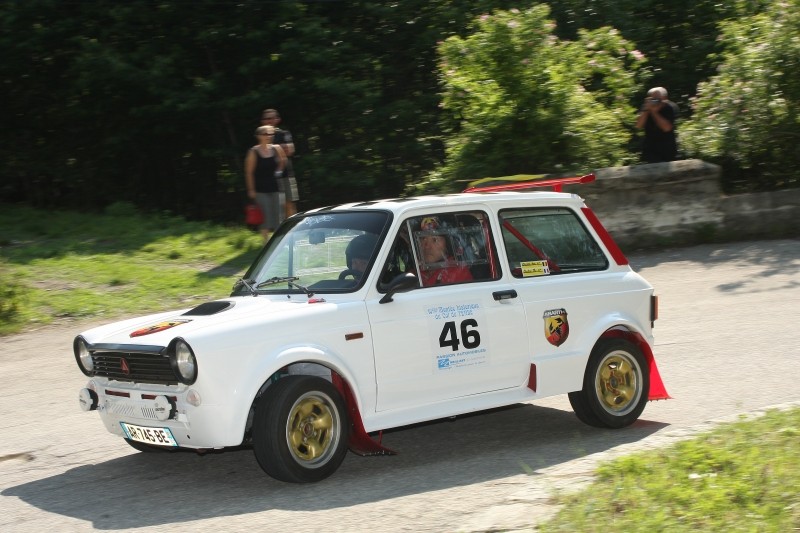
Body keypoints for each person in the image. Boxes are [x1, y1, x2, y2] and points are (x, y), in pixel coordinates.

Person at [245, 125, 287, 241]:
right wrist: (251, 190)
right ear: (258, 136)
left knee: (279, 216)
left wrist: (278, 171)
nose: (269, 136)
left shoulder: (276, 148)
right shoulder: (253, 152)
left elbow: (283, 160)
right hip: (260, 189)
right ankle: (266, 243)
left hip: (276, 187)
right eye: (265, 134)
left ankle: (279, 242)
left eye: (270, 134)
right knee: (265, 217)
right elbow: (249, 173)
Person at [261, 109, 299, 217]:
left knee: (289, 204)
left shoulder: (283, 133)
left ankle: (293, 230)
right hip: (268, 176)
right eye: (266, 118)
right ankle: (280, 232)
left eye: (271, 118)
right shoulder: (261, 135)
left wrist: (271, 148)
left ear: (278, 119)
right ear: (262, 121)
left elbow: (290, 150)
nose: (269, 121)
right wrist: (279, 148)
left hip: (285, 174)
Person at [415, 216, 473, 287]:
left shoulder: (458, 272)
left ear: (447, 245)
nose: (427, 246)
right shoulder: (416, 272)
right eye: (423, 239)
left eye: (434, 240)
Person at [635, 86, 679, 163]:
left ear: (664, 98)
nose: (655, 101)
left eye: (657, 98)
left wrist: (654, 112)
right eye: (653, 98)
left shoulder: (670, 107)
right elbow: (638, 125)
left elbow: (667, 128)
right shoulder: (646, 107)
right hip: (650, 149)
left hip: (667, 149)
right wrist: (646, 110)